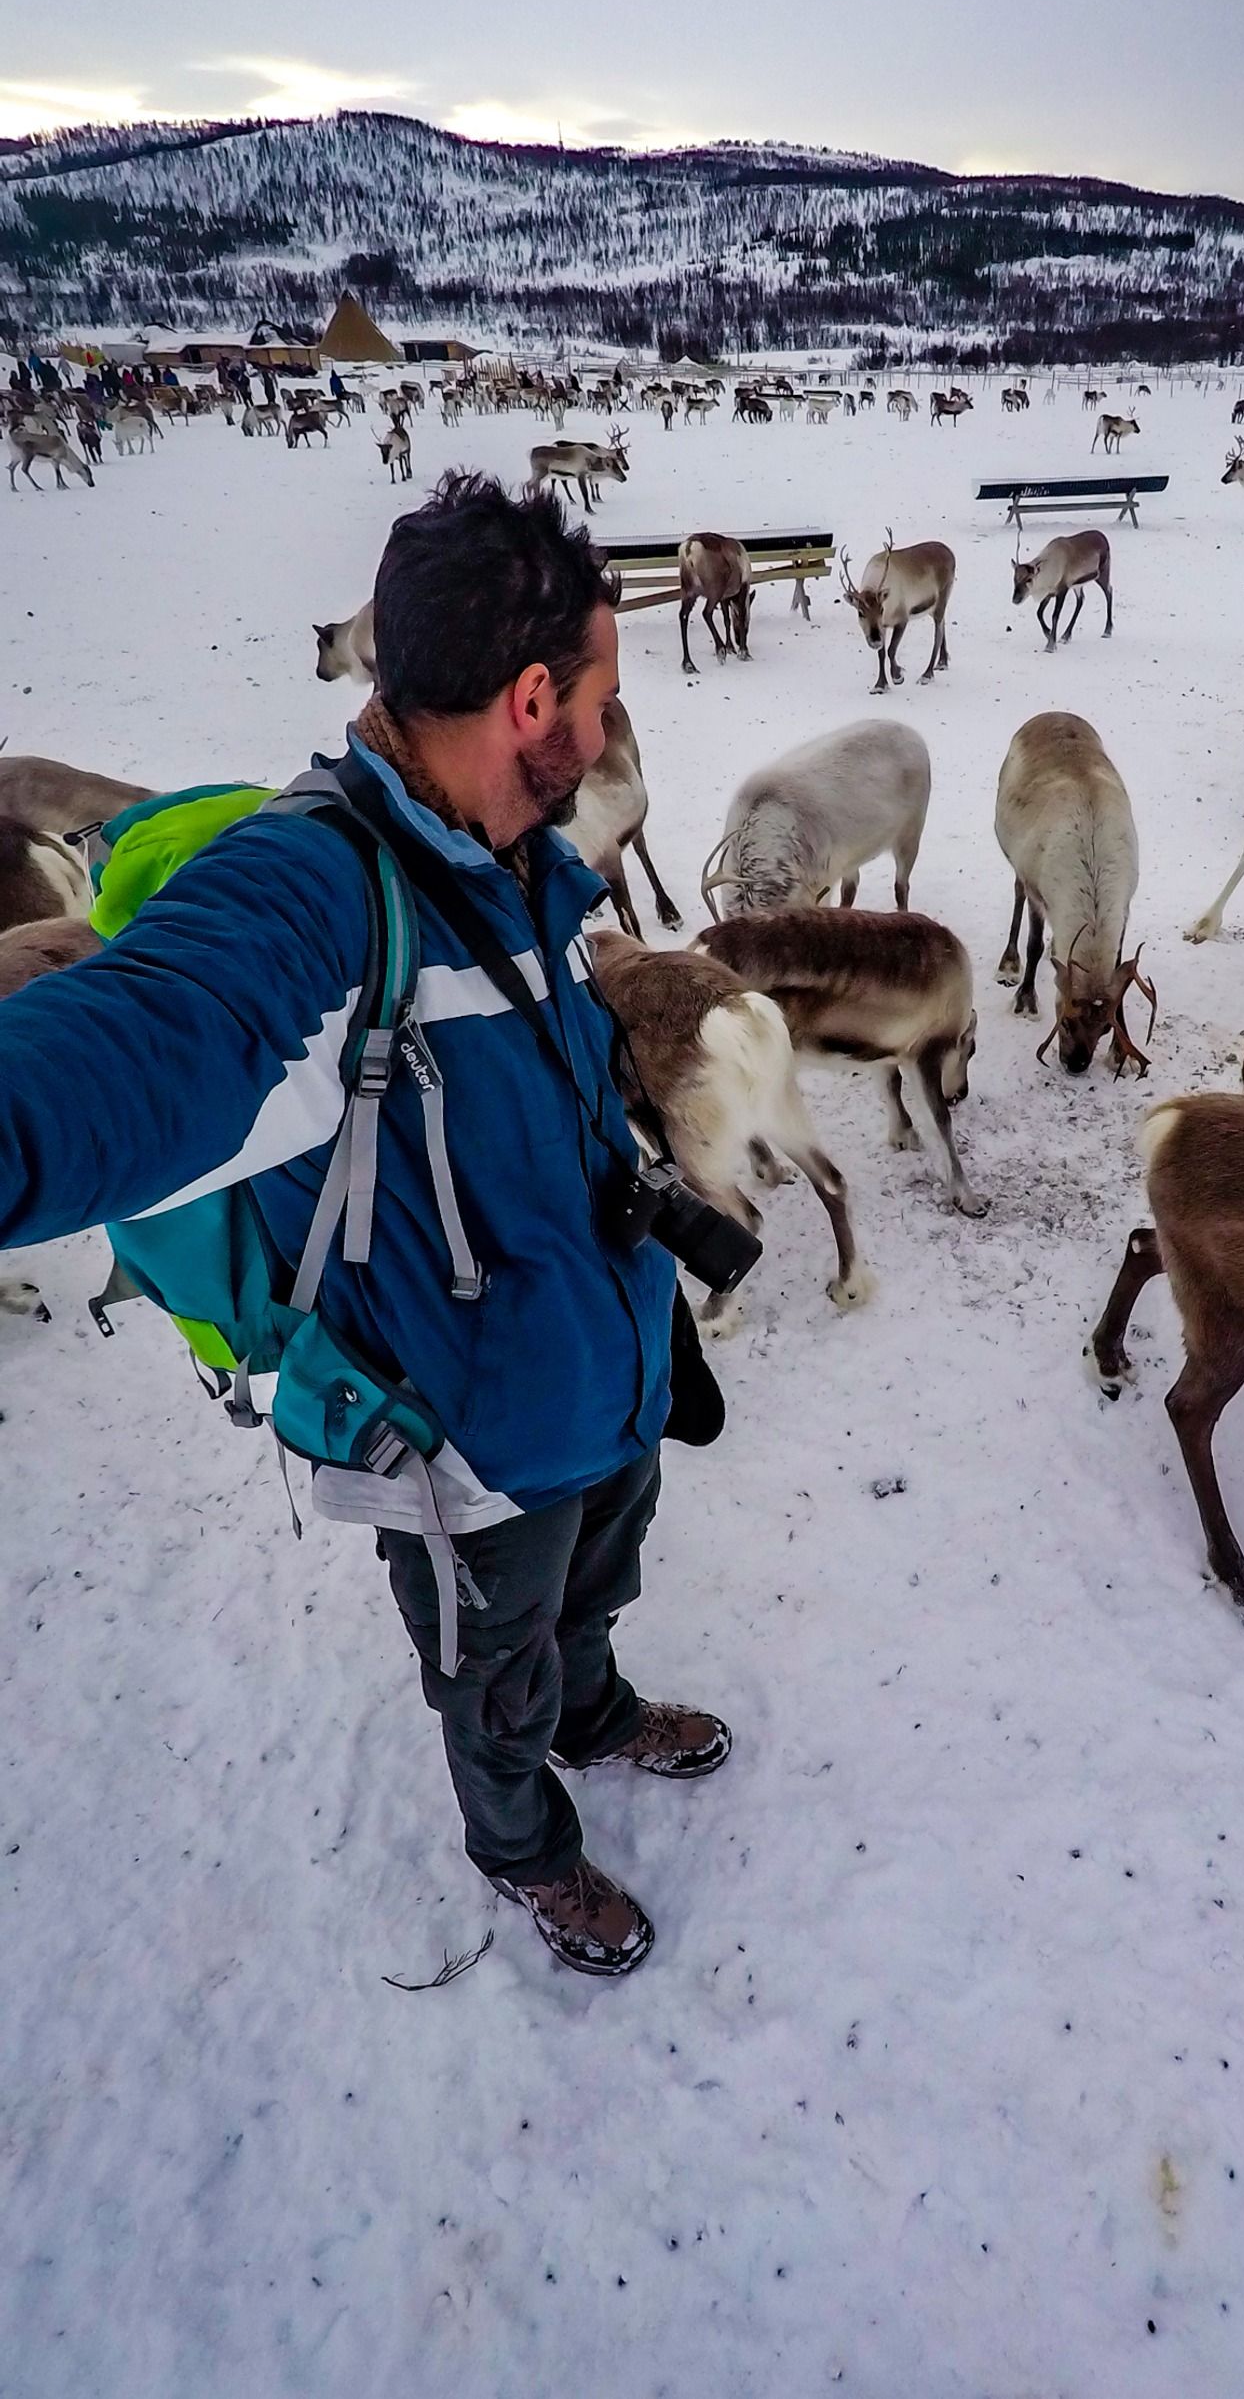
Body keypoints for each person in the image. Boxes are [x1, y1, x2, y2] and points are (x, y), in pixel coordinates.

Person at [0, 472, 730, 1979]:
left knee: (595, 1583)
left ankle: (594, 1712)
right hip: (473, 1438)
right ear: (532, 699)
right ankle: (523, 1844)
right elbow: (137, 1050)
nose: (606, 736)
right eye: (600, 700)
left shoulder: (507, 847)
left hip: (603, 1373)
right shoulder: (313, 896)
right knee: (491, 1666)